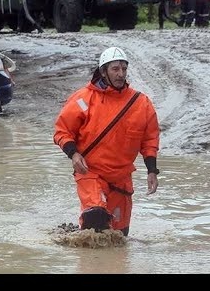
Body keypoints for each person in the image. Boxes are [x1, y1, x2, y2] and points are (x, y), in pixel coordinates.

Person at [53, 46, 160, 237]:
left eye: (124, 69)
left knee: (119, 237)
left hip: (121, 179)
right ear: (103, 71)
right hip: (90, 173)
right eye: (115, 69)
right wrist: (73, 153)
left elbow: (150, 139)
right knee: (96, 218)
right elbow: (62, 131)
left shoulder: (141, 103)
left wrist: (152, 170)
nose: (121, 74)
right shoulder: (83, 99)